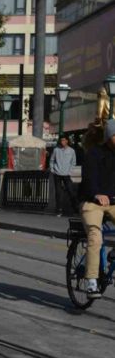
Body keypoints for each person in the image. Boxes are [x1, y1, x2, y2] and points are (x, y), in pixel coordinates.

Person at [79, 120, 115, 299]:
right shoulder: (94, 153)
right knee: (95, 234)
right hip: (92, 202)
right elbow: (88, 179)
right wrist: (96, 194)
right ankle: (92, 280)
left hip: (114, 202)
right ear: (109, 137)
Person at [51, 135, 78, 216]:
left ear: (67, 141)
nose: (62, 142)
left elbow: (73, 162)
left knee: (71, 191)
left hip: (67, 174)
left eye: (64, 140)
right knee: (58, 193)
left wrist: (70, 171)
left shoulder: (71, 151)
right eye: (61, 140)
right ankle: (59, 210)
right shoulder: (56, 150)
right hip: (57, 173)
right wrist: (53, 169)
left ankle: (75, 209)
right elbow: (52, 160)